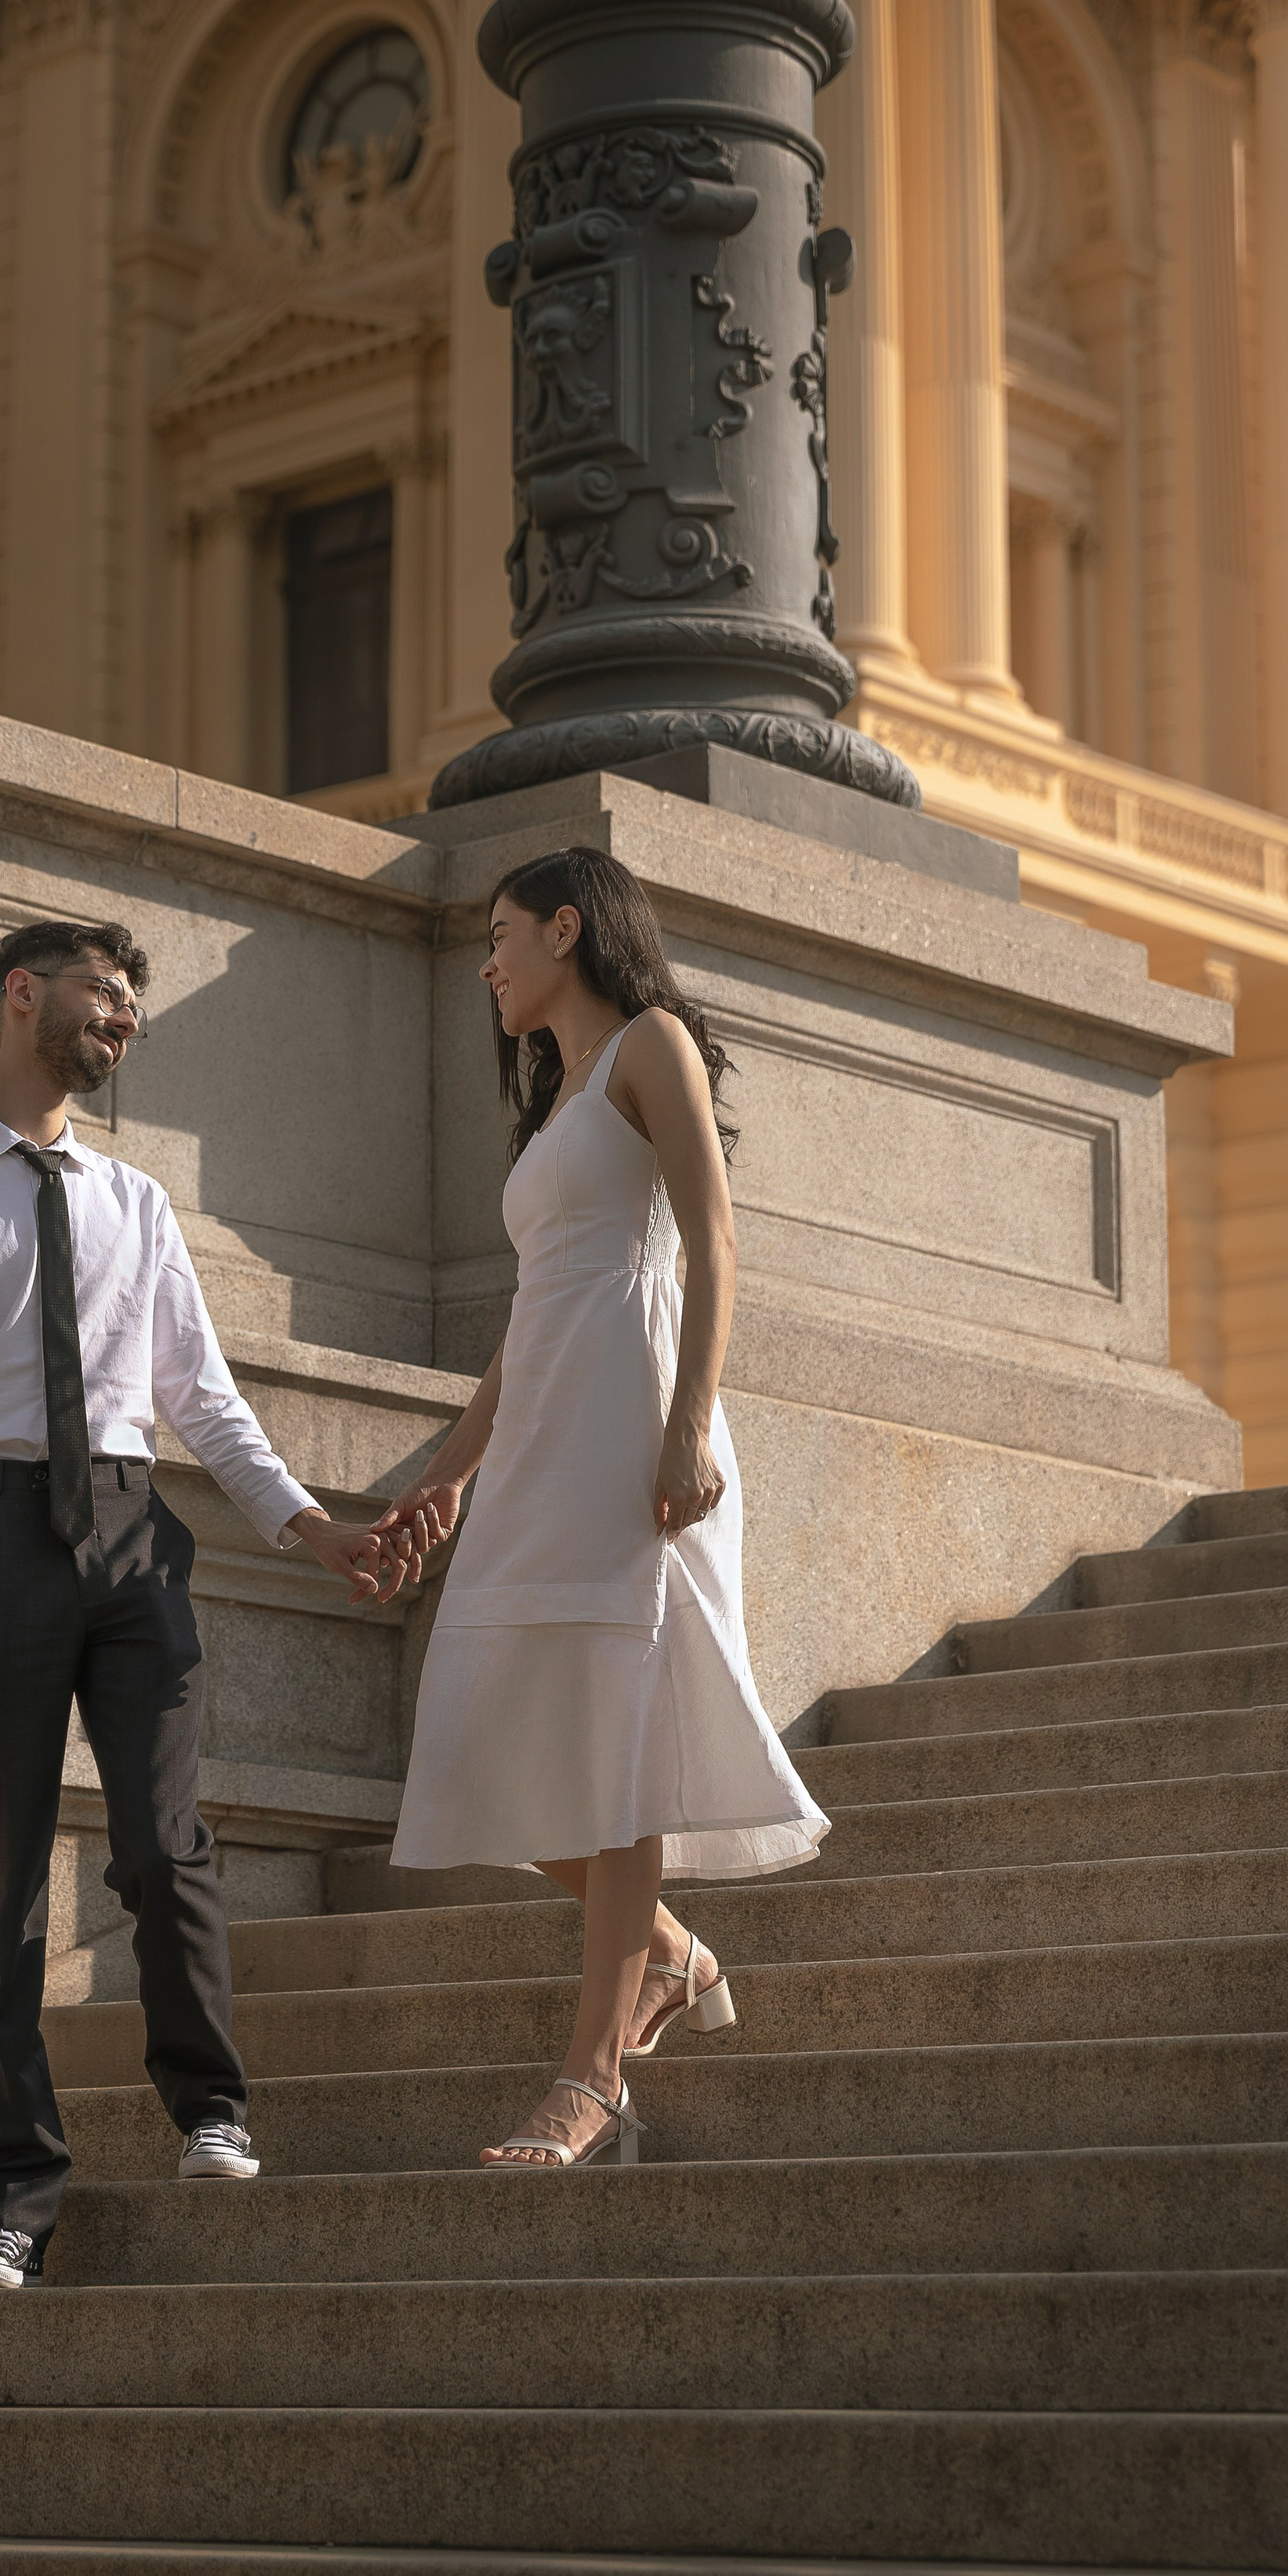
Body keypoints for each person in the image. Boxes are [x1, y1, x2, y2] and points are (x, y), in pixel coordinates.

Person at [0, 917, 410, 2286]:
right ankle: (7, 2199)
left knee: (167, 1844)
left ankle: (211, 2105)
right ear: (20, 994)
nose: (125, 1019)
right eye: (104, 992)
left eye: (131, 1003)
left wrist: (309, 1527)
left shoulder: (138, 1203)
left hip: (129, 1532)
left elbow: (200, 1398)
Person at [378, 849, 827, 2170]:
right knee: (483, 1739)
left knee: (618, 1742)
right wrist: (449, 1469)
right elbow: (533, 1318)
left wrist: (690, 1422)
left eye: (502, 935)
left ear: (568, 928)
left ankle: (593, 2079)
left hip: (633, 1431)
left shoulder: (651, 1045)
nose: (487, 963)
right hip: (545, 1437)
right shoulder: (558, 1097)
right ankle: (667, 1953)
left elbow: (713, 1238)